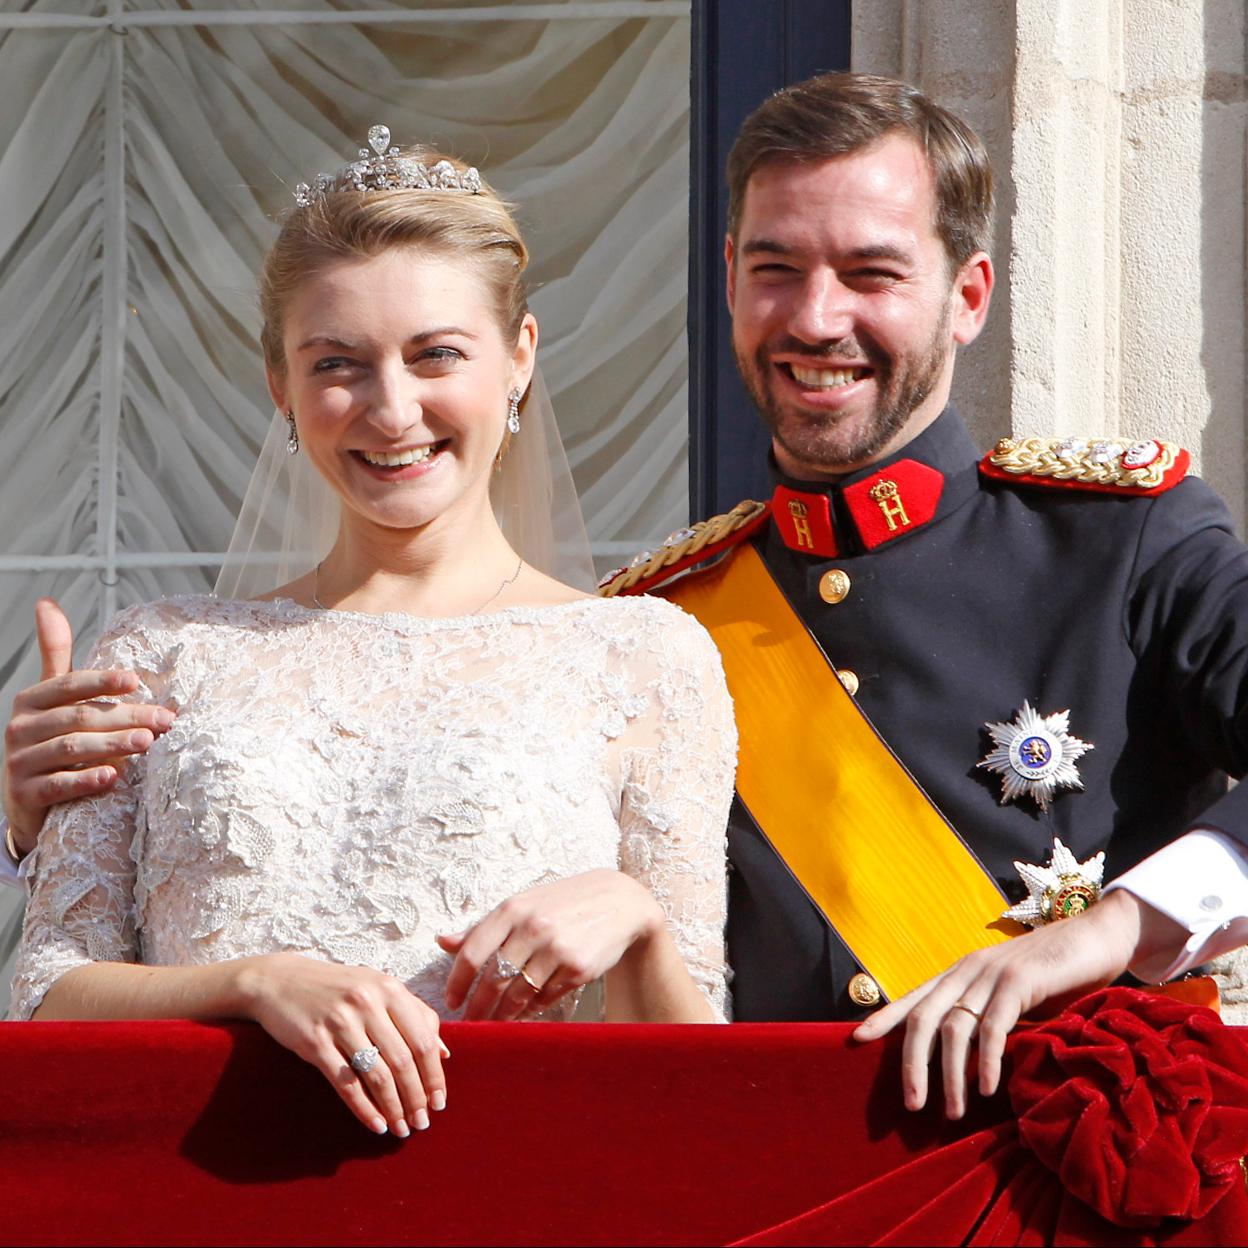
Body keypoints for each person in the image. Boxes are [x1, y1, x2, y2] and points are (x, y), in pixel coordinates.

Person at [9, 74, 1248, 1118]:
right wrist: (39, 822)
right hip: (779, 1193)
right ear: (727, 281)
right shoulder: (673, 612)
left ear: (967, 296)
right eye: (776, 269)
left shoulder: (1120, 544)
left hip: (1046, 1177)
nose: (816, 318)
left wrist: (1095, 938)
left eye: (870, 272)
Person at [2, 135, 735, 1138]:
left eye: (437, 355)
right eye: (338, 364)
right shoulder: (159, 652)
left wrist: (641, 929)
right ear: (282, 389)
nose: (393, 412)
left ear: (519, 359)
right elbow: (43, 994)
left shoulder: (651, 658)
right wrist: (257, 983)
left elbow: (709, 1099)